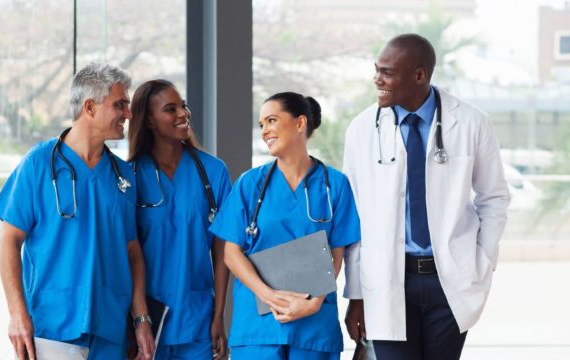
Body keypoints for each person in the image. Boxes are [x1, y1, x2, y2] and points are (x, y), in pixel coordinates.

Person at [342, 34, 510, 360]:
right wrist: (356, 294)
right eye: (377, 70)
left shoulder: (472, 122)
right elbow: (355, 215)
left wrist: (482, 261)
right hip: (389, 280)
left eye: (387, 72)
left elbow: (494, 198)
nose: (377, 79)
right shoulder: (362, 130)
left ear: (419, 75)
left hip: (450, 280)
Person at [0, 62, 155, 360]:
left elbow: (132, 251)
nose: (128, 115)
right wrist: (17, 314)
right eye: (120, 105)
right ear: (90, 107)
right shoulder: (40, 164)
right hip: (52, 325)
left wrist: (141, 321)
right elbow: (8, 241)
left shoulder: (124, 176)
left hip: (110, 326)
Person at [210, 92, 361, 360]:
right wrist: (268, 295)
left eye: (271, 121)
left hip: (314, 326)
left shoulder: (334, 185)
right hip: (258, 327)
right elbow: (230, 253)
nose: (265, 131)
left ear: (300, 123)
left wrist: (313, 302)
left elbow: (338, 252)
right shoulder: (250, 184)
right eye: (261, 125)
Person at [128, 79, 231, 360]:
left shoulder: (213, 171)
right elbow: (125, 251)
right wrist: (140, 320)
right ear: (149, 121)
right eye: (170, 109)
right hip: (146, 322)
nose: (183, 114)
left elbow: (223, 251)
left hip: (197, 318)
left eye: (183, 106)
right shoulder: (130, 177)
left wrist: (218, 316)